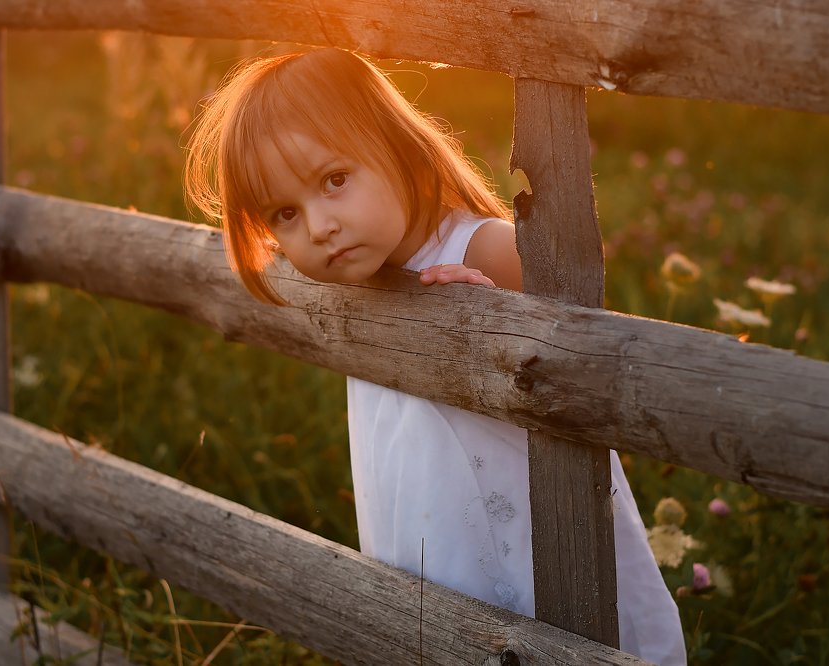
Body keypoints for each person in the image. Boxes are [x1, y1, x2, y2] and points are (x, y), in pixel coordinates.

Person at [185, 47, 686, 665]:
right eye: (284, 213)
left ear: (396, 148)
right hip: (429, 545)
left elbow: (592, 345)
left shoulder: (486, 249)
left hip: (542, 552)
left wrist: (489, 317)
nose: (318, 227)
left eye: (334, 180)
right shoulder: (360, 281)